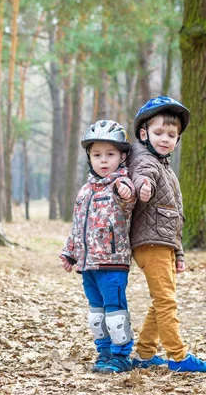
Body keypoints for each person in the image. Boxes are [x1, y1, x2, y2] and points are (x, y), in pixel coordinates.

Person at [128, 96, 206, 373]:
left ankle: (144, 353)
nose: (165, 139)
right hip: (150, 244)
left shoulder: (164, 166)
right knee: (167, 301)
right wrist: (142, 187)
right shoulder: (147, 161)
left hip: (162, 243)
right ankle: (178, 356)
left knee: (161, 299)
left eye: (171, 135)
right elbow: (142, 176)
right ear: (144, 134)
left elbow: (173, 216)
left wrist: (178, 252)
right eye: (158, 133)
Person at [59, 120, 137, 374]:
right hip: (88, 263)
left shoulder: (120, 184)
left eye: (110, 154)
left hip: (112, 263)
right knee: (96, 315)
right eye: (97, 155)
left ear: (122, 156)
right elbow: (77, 225)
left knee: (115, 313)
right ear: (89, 157)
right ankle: (103, 353)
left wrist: (127, 191)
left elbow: (128, 199)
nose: (103, 160)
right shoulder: (84, 191)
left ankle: (121, 355)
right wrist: (70, 252)